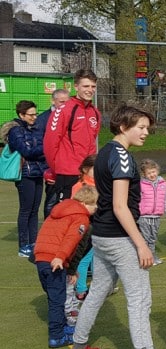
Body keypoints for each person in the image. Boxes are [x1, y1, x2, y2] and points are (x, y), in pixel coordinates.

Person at [67, 105, 166, 349]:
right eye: (141, 127)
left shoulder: (106, 152)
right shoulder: (120, 156)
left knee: (97, 291)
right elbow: (120, 206)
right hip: (119, 238)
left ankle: (78, 348)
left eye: (147, 128)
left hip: (103, 236)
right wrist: (141, 244)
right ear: (123, 127)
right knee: (140, 299)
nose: (146, 132)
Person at [33, 186, 97, 348]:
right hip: (55, 260)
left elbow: (45, 233)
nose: (96, 208)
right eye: (94, 204)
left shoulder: (59, 211)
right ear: (84, 203)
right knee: (57, 300)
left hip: (41, 257)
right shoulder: (81, 218)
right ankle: (56, 335)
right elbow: (71, 239)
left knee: (54, 295)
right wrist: (60, 257)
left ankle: (62, 326)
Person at [43, 69, 100, 206]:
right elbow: (50, 143)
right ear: (76, 87)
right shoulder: (63, 110)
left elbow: (92, 143)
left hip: (88, 174)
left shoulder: (95, 113)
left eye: (93, 86)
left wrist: (92, 169)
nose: (90, 90)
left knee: (88, 214)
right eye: (86, 86)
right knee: (66, 213)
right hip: (67, 173)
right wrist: (56, 169)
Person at [7, 100, 48, 257]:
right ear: (21, 115)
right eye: (31, 115)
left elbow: (34, 150)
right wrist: (45, 146)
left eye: (35, 114)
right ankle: (23, 245)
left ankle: (33, 242)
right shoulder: (15, 131)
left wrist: (40, 148)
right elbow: (27, 151)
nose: (34, 117)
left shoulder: (33, 129)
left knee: (34, 210)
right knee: (26, 210)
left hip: (37, 172)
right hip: (25, 174)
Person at [65, 155, 97, 322]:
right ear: (85, 170)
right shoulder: (80, 186)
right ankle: (81, 290)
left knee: (95, 258)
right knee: (83, 259)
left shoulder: (98, 184)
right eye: (94, 169)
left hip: (96, 227)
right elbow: (75, 206)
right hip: (85, 228)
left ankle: (96, 287)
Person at [37, 88, 70, 219]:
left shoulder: (70, 117)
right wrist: (49, 168)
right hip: (52, 168)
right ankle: (48, 228)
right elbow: (42, 145)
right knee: (52, 200)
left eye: (66, 102)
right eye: (61, 101)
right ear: (53, 101)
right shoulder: (43, 120)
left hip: (68, 168)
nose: (64, 105)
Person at [138, 159, 166, 265]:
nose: (152, 175)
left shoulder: (162, 182)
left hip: (156, 216)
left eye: (153, 172)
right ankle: (145, 257)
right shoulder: (141, 184)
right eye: (149, 173)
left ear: (157, 170)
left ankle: (152, 256)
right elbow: (136, 199)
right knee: (145, 238)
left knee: (153, 238)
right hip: (144, 216)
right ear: (144, 174)